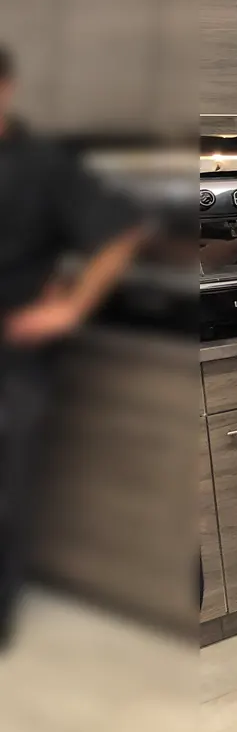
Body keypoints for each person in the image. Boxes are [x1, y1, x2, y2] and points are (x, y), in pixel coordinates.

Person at [0, 45, 145, 648]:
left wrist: (73, 306)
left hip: (13, 360)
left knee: (6, 496)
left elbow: (120, 231)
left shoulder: (42, 164)